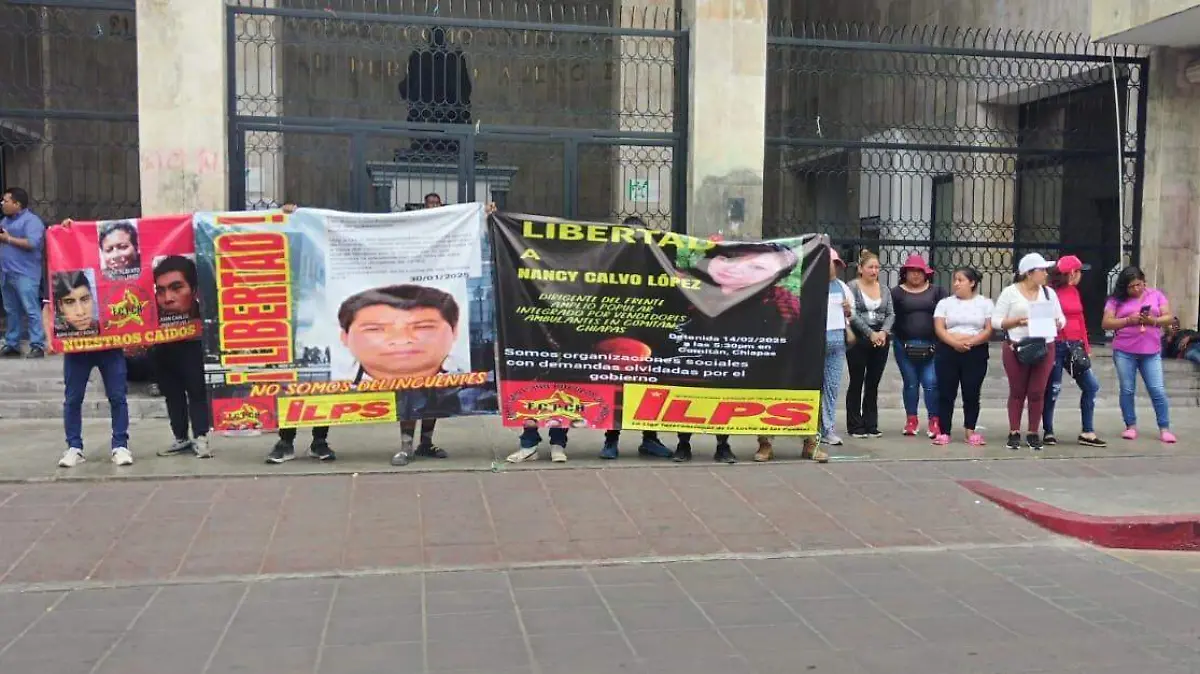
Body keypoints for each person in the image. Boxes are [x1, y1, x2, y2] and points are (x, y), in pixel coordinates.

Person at [338, 284, 460, 465]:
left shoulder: (461, 374)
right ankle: (406, 447)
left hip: (436, 383)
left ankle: (426, 443)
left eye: (423, 327)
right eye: (375, 329)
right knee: (409, 401)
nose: (402, 340)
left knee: (432, 401)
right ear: (345, 337)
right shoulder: (337, 380)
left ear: (454, 331)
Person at [266, 202, 335, 463]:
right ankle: (286, 440)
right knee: (289, 384)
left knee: (321, 384)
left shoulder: (327, 254)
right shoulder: (287, 249)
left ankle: (320, 440)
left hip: (321, 322)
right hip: (289, 322)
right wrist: (283, 216)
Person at [992, 253, 1066, 451]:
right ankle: (1014, 430)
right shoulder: (1010, 293)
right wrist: (1017, 321)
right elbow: (996, 321)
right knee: (1017, 390)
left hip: (1044, 344)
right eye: (1041, 270)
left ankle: (1033, 431)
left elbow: (1061, 317)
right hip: (1017, 345)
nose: (1045, 274)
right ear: (1029, 273)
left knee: (1037, 391)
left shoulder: (1049, 293)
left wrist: (1059, 323)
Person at [149, 255, 215, 459]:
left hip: (192, 344)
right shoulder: (153, 318)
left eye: (177, 288)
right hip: (163, 346)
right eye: (160, 291)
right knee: (172, 394)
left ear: (194, 290)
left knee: (196, 391)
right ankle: (181, 438)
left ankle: (201, 437)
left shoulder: (205, 314)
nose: (168, 298)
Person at [1101, 266, 1176, 443]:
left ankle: (1164, 427)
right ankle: (1130, 425)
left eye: (1139, 284)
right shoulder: (1116, 300)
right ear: (1124, 287)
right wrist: (1128, 320)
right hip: (1124, 351)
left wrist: (1153, 321)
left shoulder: (1156, 295)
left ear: (1144, 282)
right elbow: (1106, 323)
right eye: (1132, 286)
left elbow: (1169, 317)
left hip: (1151, 350)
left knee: (1157, 389)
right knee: (1127, 389)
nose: (1136, 289)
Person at [1042, 256, 1106, 447]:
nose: (1081, 276)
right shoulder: (1050, 293)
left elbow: (1080, 319)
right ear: (1072, 273)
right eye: (1079, 272)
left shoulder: (1074, 292)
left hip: (1074, 346)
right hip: (1056, 344)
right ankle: (1048, 430)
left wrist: (1086, 346)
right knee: (1053, 389)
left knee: (1091, 386)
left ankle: (1088, 431)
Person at [931, 267, 993, 446]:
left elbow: (988, 329)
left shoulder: (985, 303)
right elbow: (939, 328)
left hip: (975, 352)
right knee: (946, 392)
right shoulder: (945, 303)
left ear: (972, 283)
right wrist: (954, 342)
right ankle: (944, 431)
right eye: (955, 280)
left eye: (961, 280)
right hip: (948, 351)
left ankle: (970, 430)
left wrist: (971, 342)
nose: (956, 284)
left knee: (972, 392)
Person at [891, 254, 946, 438]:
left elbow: (944, 315)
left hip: (932, 345)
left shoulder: (937, 292)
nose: (915, 275)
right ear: (905, 274)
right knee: (911, 383)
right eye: (911, 272)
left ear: (926, 274)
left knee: (931, 383)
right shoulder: (896, 293)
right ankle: (911, 420)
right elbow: (892, 317)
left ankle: (934, 420)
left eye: (919, 272)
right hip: (903, 345)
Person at [845, 249, 893, 439]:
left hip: (880, 338)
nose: (874, 271)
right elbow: (852, 314)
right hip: (859, 337)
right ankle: (855, 424)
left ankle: (871, 423)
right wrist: (870, 333)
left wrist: (883, 332)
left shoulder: (885, 289)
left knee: (873, 382)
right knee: (857, 380)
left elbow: (891, 313)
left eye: (877, 267)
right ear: (860, 269)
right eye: (870, 267)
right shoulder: (852, 287)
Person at [0, 187, 47, 358]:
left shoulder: (31, 221)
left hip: (25, 274)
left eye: (6, 201)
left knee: (31, 309)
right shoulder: (4, 222)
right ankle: (12, 344)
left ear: (17, 204)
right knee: (11, 310)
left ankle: (37, 345)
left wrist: (8, 239)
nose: (2, 204)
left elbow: (32, 243)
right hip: (6, 273)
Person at [818, 250, 853, 446]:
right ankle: (811, 429)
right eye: (832, 263)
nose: (834, 267)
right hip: (815, 344)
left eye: (836, 264)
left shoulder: (842, 288)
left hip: (837, 344)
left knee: (831, 387)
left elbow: (850, 316)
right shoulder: (812, 286)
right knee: (814, 387)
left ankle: (828, 429)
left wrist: (848, 311)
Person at [51, 271, 99, 336]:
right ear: (60, 306)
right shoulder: (53, 334)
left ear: (92, 299)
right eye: (69, 302)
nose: (80, 312)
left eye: (85, 299)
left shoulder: (106, 328)